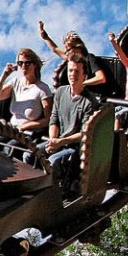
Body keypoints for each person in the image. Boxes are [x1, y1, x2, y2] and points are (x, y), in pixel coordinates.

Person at [43, 54, 93, 196]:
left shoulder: (88, 102)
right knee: (31, 154)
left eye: (77, 71)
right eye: (71, 71)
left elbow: (85, 133)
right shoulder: (60, 92)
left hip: (75, 146)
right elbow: (54, 119)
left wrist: (61, 142)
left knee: (52, 162)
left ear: (85, 75)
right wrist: (53, 139)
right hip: (58, 140)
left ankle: (55, 196)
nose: (73, 74)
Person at [36, 22, 111, 101]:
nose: (66, 52)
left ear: (77, 47)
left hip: (94, 98)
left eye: (68, 49)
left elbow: (101, 78)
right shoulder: (72, 60)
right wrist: (45, 37)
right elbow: (55, 49)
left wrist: (81, 83)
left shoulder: (89, 58)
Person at [0, 49, 51, 137]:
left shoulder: (43, 89)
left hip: (28, 133)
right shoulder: (16, 82)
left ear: (35, 65)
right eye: (20, 63)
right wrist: (4, 75)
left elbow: (48, 119)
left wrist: (25, 126)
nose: (24, 66)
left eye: (27, 63)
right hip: (11, 129)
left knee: (8, 148)